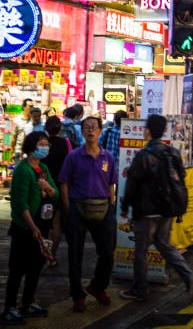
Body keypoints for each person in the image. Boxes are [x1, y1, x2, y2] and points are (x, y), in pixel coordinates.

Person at [119, 114, 193, 302]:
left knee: (141, 252)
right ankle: (189, 276)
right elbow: (181, 176)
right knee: (165, 245)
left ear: (147, 130)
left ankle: (139, 289)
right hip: (167, 209)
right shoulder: (173, 153)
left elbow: (132, 184)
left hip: (146, 211)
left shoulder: (143, 155)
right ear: (164, 131)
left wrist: (124, 206)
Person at [58, 115, 118, 313]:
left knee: (108, 253)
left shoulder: (107, 157)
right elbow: (64, 183)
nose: (90, 130)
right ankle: (77, 295)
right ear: (82, 132)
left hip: (103, 208)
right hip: (78, 208)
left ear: (100, 131)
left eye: (94, 127)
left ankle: (97, 287)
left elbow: (112, 183)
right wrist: (68, 208)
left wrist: (112, 203)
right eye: (87, 127)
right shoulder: (73, 156)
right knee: (75, 254)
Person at [1, 131, 59, 324]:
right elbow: (20, 204)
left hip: (41, 225)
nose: (45, 147)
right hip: (25, 228)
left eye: (47, 144)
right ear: (32, 146)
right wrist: (33, 227)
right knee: (17, 268)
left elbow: (56, 194)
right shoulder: (22, 170)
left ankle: (28, 303)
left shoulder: (43, 168)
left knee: (35, 267)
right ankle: (9, 307)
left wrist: (48, 188)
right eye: (42, 143)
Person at [42, 115, 71, 269]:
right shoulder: (65, 143)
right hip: (59, 189)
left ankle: (42, 254)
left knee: (44, 224)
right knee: (56, 225)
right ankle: (51, 256)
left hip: (44, 189)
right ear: (60, 128)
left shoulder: (43, 144)